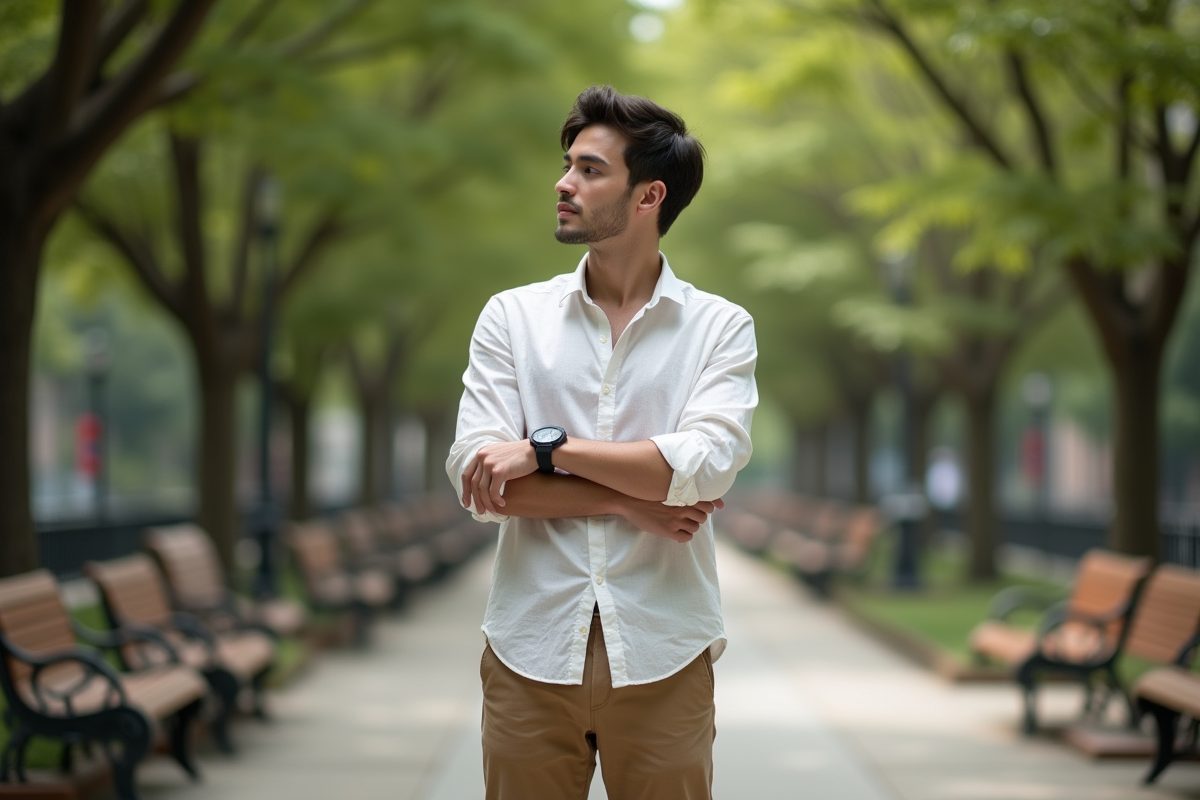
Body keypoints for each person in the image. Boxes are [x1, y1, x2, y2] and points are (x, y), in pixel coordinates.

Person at [446, 85, 758, 800]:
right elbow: (481, 479)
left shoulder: (719, 328)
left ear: (648, 197)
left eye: (590, 170)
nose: (563, 183)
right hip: (529, 652)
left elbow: (704, 467)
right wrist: (632, 504)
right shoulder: (512, 319)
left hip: (664, 653)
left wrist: (544, 450)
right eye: (567, 165)